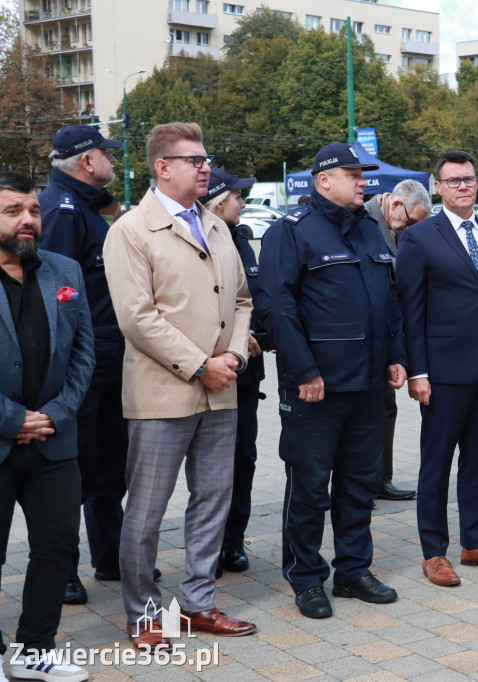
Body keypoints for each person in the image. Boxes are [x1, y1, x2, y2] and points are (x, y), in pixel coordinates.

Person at [104, 122, 257, 650]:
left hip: (222, 388)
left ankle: (197, 603)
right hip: (162, 394)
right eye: (194, 160)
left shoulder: (215, 225)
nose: (205, 167)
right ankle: (144, 614)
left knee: (213, 498)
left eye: (205, 158)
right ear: (162, 167)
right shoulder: (130, 230)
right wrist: (199, 364)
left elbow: (240, 299)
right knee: (146, 511)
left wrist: (234, 355)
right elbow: (137, 318)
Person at [259, 143, 406, 618]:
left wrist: (396, 356)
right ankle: (305, 578)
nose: (364, 181)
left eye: (363, 175)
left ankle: (353, 571)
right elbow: (278, 307)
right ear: (324, 181)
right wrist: (305, 371)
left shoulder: (367, 228)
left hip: (366, 384)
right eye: (353, 174)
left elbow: (390, 300)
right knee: (308, 487)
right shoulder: (291, 231)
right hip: (316, 387)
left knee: (359, 484)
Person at [397, 150, 478, 587]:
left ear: (477, 184)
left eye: (468, 179)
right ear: (438, 186)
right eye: (452, 180)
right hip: (443, 370)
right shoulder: (420, 237)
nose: (462, 186)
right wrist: (417, 371)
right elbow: (410, 311)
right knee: (436, 464)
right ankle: (434, 553)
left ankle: (475, 543)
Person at [0, 172, 94, 682]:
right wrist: (11, 419)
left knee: (57, 547)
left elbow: (84, 351)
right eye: (13, 210)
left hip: (55, 444)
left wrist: (56, 415)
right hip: (0, 439)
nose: (28, 220)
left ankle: (36, 648)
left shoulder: (64, 270)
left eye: (32, 210)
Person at [36, 124, 133, 606]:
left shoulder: (88, 208)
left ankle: (110, 555)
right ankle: (64, 571)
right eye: (105, 153)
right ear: (87, 161)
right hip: (86, 368)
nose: (112, 160)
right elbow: (56, 299)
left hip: (112, 361)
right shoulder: (60, 210)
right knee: (75, 474)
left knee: (109, 469)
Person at [198, 168, 265, 574]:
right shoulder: (198, 238)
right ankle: (205, 548)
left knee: (244, 460)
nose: (244, 203)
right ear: (219, 201)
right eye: (238, 196)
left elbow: (255, 300)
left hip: (245, 376)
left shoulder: (242, 241)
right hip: (205, 372)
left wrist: (257, 334)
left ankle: (232, 542)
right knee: (209, 467)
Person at [364, 179, 431, 502]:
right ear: (395, 205)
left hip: (390, 337)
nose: (413, 229)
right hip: (363, 338)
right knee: (361, 414)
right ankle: (358, 485)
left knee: (385, 408)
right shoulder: (361, 222)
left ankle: (380, 478)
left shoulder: (401, 228)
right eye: (411, 221)